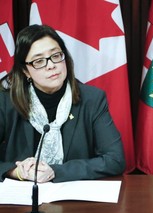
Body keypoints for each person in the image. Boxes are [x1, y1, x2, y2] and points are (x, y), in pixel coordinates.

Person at [0, 24, 126, 183]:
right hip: (20, 200)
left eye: (56, 55)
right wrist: (16, 172)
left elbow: (115, 160)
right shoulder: (6, 102)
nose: (51, 65)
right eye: (39, 61)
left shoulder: (92, 99)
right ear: (25, 71)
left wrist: (56, 171)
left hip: (74, 200)